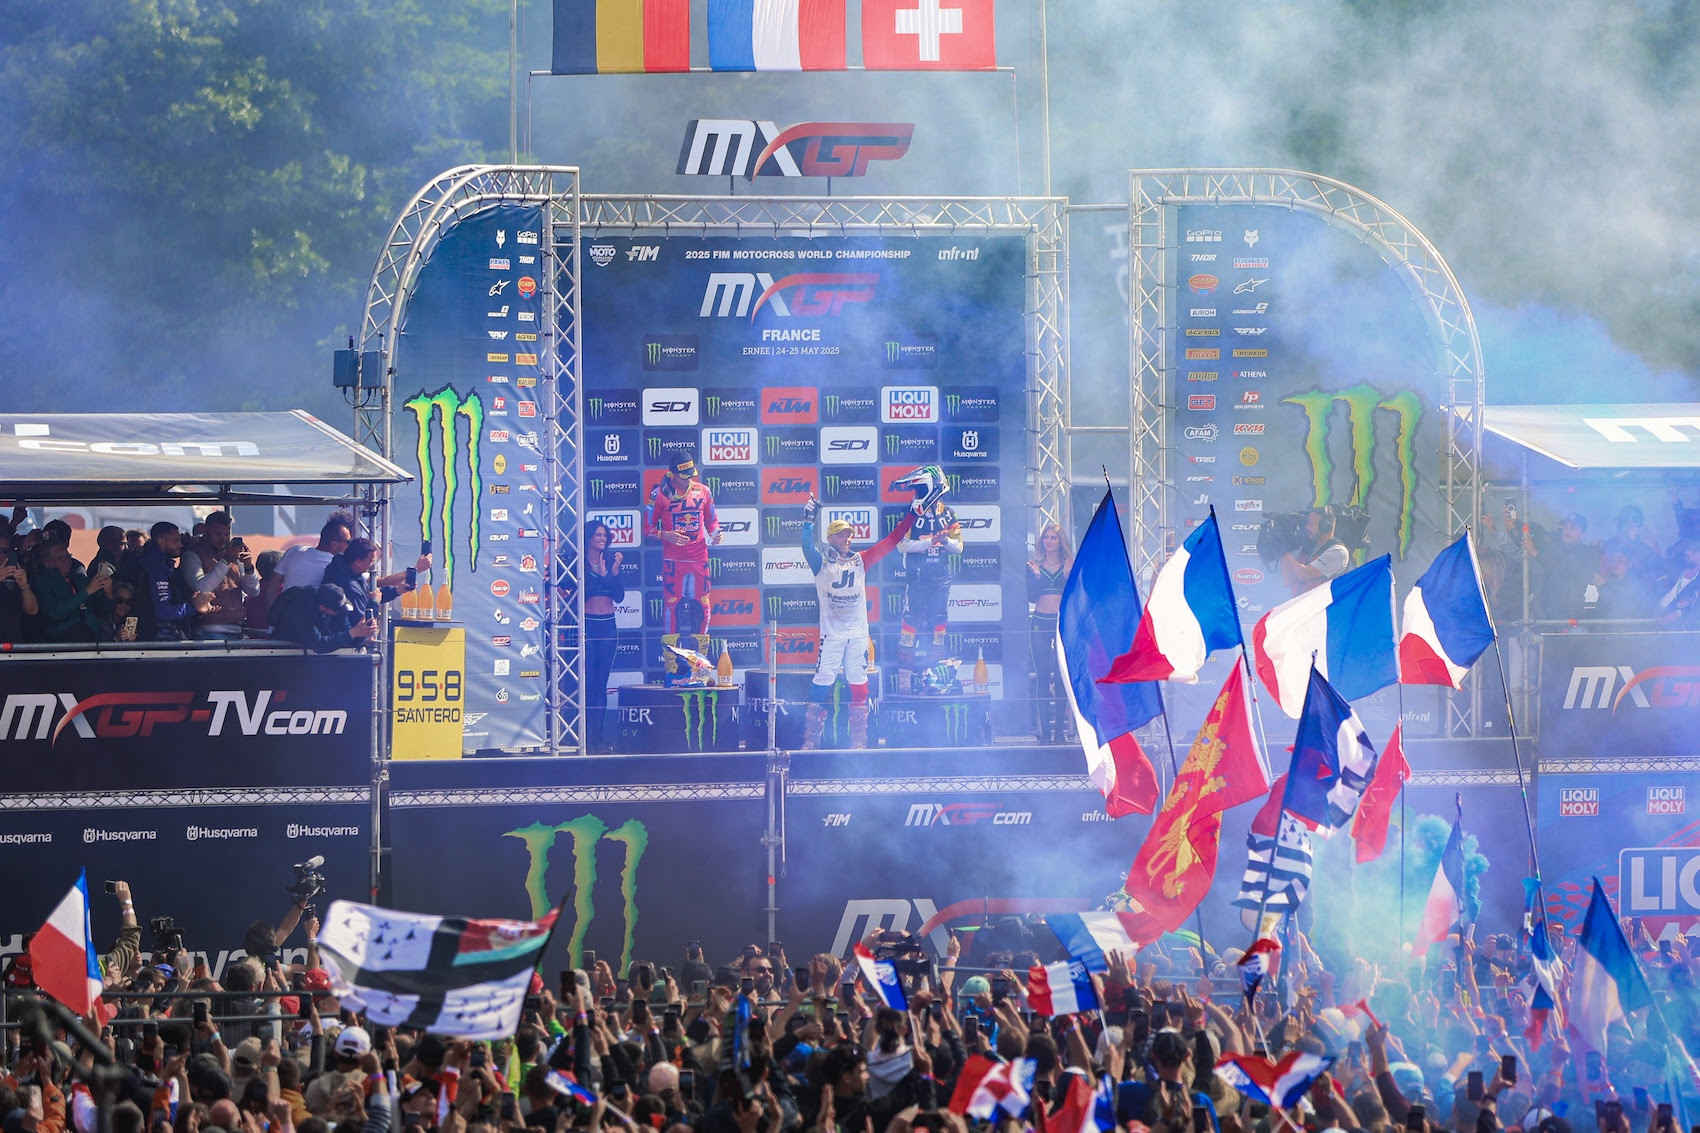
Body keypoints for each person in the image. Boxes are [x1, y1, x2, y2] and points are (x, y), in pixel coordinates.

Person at [798, 497, 916, 749]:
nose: (847, 539)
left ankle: (859, 740)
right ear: (830, 539)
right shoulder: (821, 563)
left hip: (858, 635)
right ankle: (810, 740)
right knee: (821, 683)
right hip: (832, 635)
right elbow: (806, 547)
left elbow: (890, 542)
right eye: (841, 535)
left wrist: (912, 517)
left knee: (859, 685)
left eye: (849, 535)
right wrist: (808, 521)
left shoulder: (861, 560)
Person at [892, 466, 960, 696]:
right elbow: (901, 545)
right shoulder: (912, 513)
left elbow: (958, 546)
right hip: (917, 580)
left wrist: (945, 541)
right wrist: (931, 542)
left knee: (938, 626)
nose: (918, 494)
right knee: (909, 626)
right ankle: (904, 681)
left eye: (922, 489)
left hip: (941, 580)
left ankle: (934, 678)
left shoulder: (948, 514)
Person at [644, 454, 721, 635]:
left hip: (699, 558)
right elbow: (647, 528)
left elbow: (712, 521)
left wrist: (716, 533)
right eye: (683, 476)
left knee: (703, 605)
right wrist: (665, 535)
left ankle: (700, 656)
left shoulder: (704, 491)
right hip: (674, 560)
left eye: (690, 476)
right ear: (672, 474)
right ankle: (671, 659)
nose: (688, 480)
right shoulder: (658, 494)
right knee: (672, 605)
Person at [1026, 520, 1073, 743]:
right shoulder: (1033, 565)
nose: (1049, 541)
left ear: (1060, 541)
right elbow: (1032, 597)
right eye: (1046, 537)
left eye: (1054, 537)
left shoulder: (1069, 564)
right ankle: (1044, 731)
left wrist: (1066, 577)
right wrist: (1036, 577)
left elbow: (1074, 596)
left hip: (1061, 624)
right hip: (1039, 623)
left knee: (1062, 676)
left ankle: (1060, 733)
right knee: (1042, 677)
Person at [180, 511, 260, 639]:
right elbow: (201, 588)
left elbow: (254, 591)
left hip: (237, 630)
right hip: (208, 631)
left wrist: (249, 567)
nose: (223, 539)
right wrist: (226, 561)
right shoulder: (192, 554)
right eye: (217, 534)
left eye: (226, 534)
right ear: (205, 530)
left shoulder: (233, 554)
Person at [583, 521, 625, 752]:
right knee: (587, 682)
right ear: (589, 537)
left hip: (608, 627)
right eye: (598, 535)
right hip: (587, 627)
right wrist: (598, 574)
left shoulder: (610, 562)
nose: (602, 538)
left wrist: (612, 572)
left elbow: (619, 596)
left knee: (601, 684)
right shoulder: (577, 562)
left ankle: (598, 736)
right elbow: (582, 591)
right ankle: (584, 736)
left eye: (605, 535)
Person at [136, 521, 216, 640]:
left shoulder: (163, 565)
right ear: (161, 542)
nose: (181, 545)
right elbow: (163, 611)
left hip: (162, 634)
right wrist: (193, 607)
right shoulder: (156, 568)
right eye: (176, 541)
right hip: (160, 637)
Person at [322, 537, 422, 623]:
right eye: (370, 561)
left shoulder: (350, 572)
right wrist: (374, 601)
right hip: (346, 642)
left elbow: (368, 597)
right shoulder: (349, 585)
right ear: (358, 562)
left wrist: (397, 590)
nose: (372, 565)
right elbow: (363, 623)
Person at [30, 538, 111, 642]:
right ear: (47, 562)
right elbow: (55, 612)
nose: (66, 561)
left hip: (93, 640)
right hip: (61, 644)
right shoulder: (40, 582)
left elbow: (103, 609)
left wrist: (108, 592)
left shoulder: (80, 578)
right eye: (60, 558)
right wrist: (86, 592)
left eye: (68, 556)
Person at [272, 583, 377, 653]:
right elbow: (319, 644)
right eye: (338, 611)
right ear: (323, 608)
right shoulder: (303, 612)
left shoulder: (333, 605)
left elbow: (345, 634)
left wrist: (361, 633)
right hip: (285, 653)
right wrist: (353, 633)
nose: (341, 613)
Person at [1278, 506, 1350, 593]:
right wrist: (1282, 549)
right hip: (1301, 604)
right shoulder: (1310, 547)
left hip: (1322, 606)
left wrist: (1284, 551)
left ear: (1325, 526)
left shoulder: (1338, 552)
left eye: (1311, 524)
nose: (1307, 528)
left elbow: (1304, 574)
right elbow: (1287, 582)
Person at [0, 526, 41, 644]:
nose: (2, 554)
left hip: (14, 645)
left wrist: (24, 588)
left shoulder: (14, 574)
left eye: (6, 551)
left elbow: (32, 610)